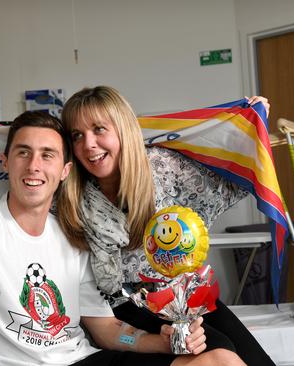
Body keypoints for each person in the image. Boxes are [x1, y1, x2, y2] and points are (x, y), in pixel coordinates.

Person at [0, 111, 246, 366]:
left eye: (47, 155)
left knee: (221, 361)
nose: (34, 166)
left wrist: (162, 342)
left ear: (65, 171)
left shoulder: (73, 239)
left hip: (81, 360)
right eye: (23, 153)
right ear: (6, 162)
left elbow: (108, 330)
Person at [55, 86, 275, 365]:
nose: (89, 144)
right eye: (77, 135)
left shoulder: (162, 167)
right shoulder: (70, 199)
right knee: (221, 353)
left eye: (99, 129)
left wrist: (252, 126)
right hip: (124, 309)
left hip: (183, 293)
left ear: (123, 130)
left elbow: (232, 179)